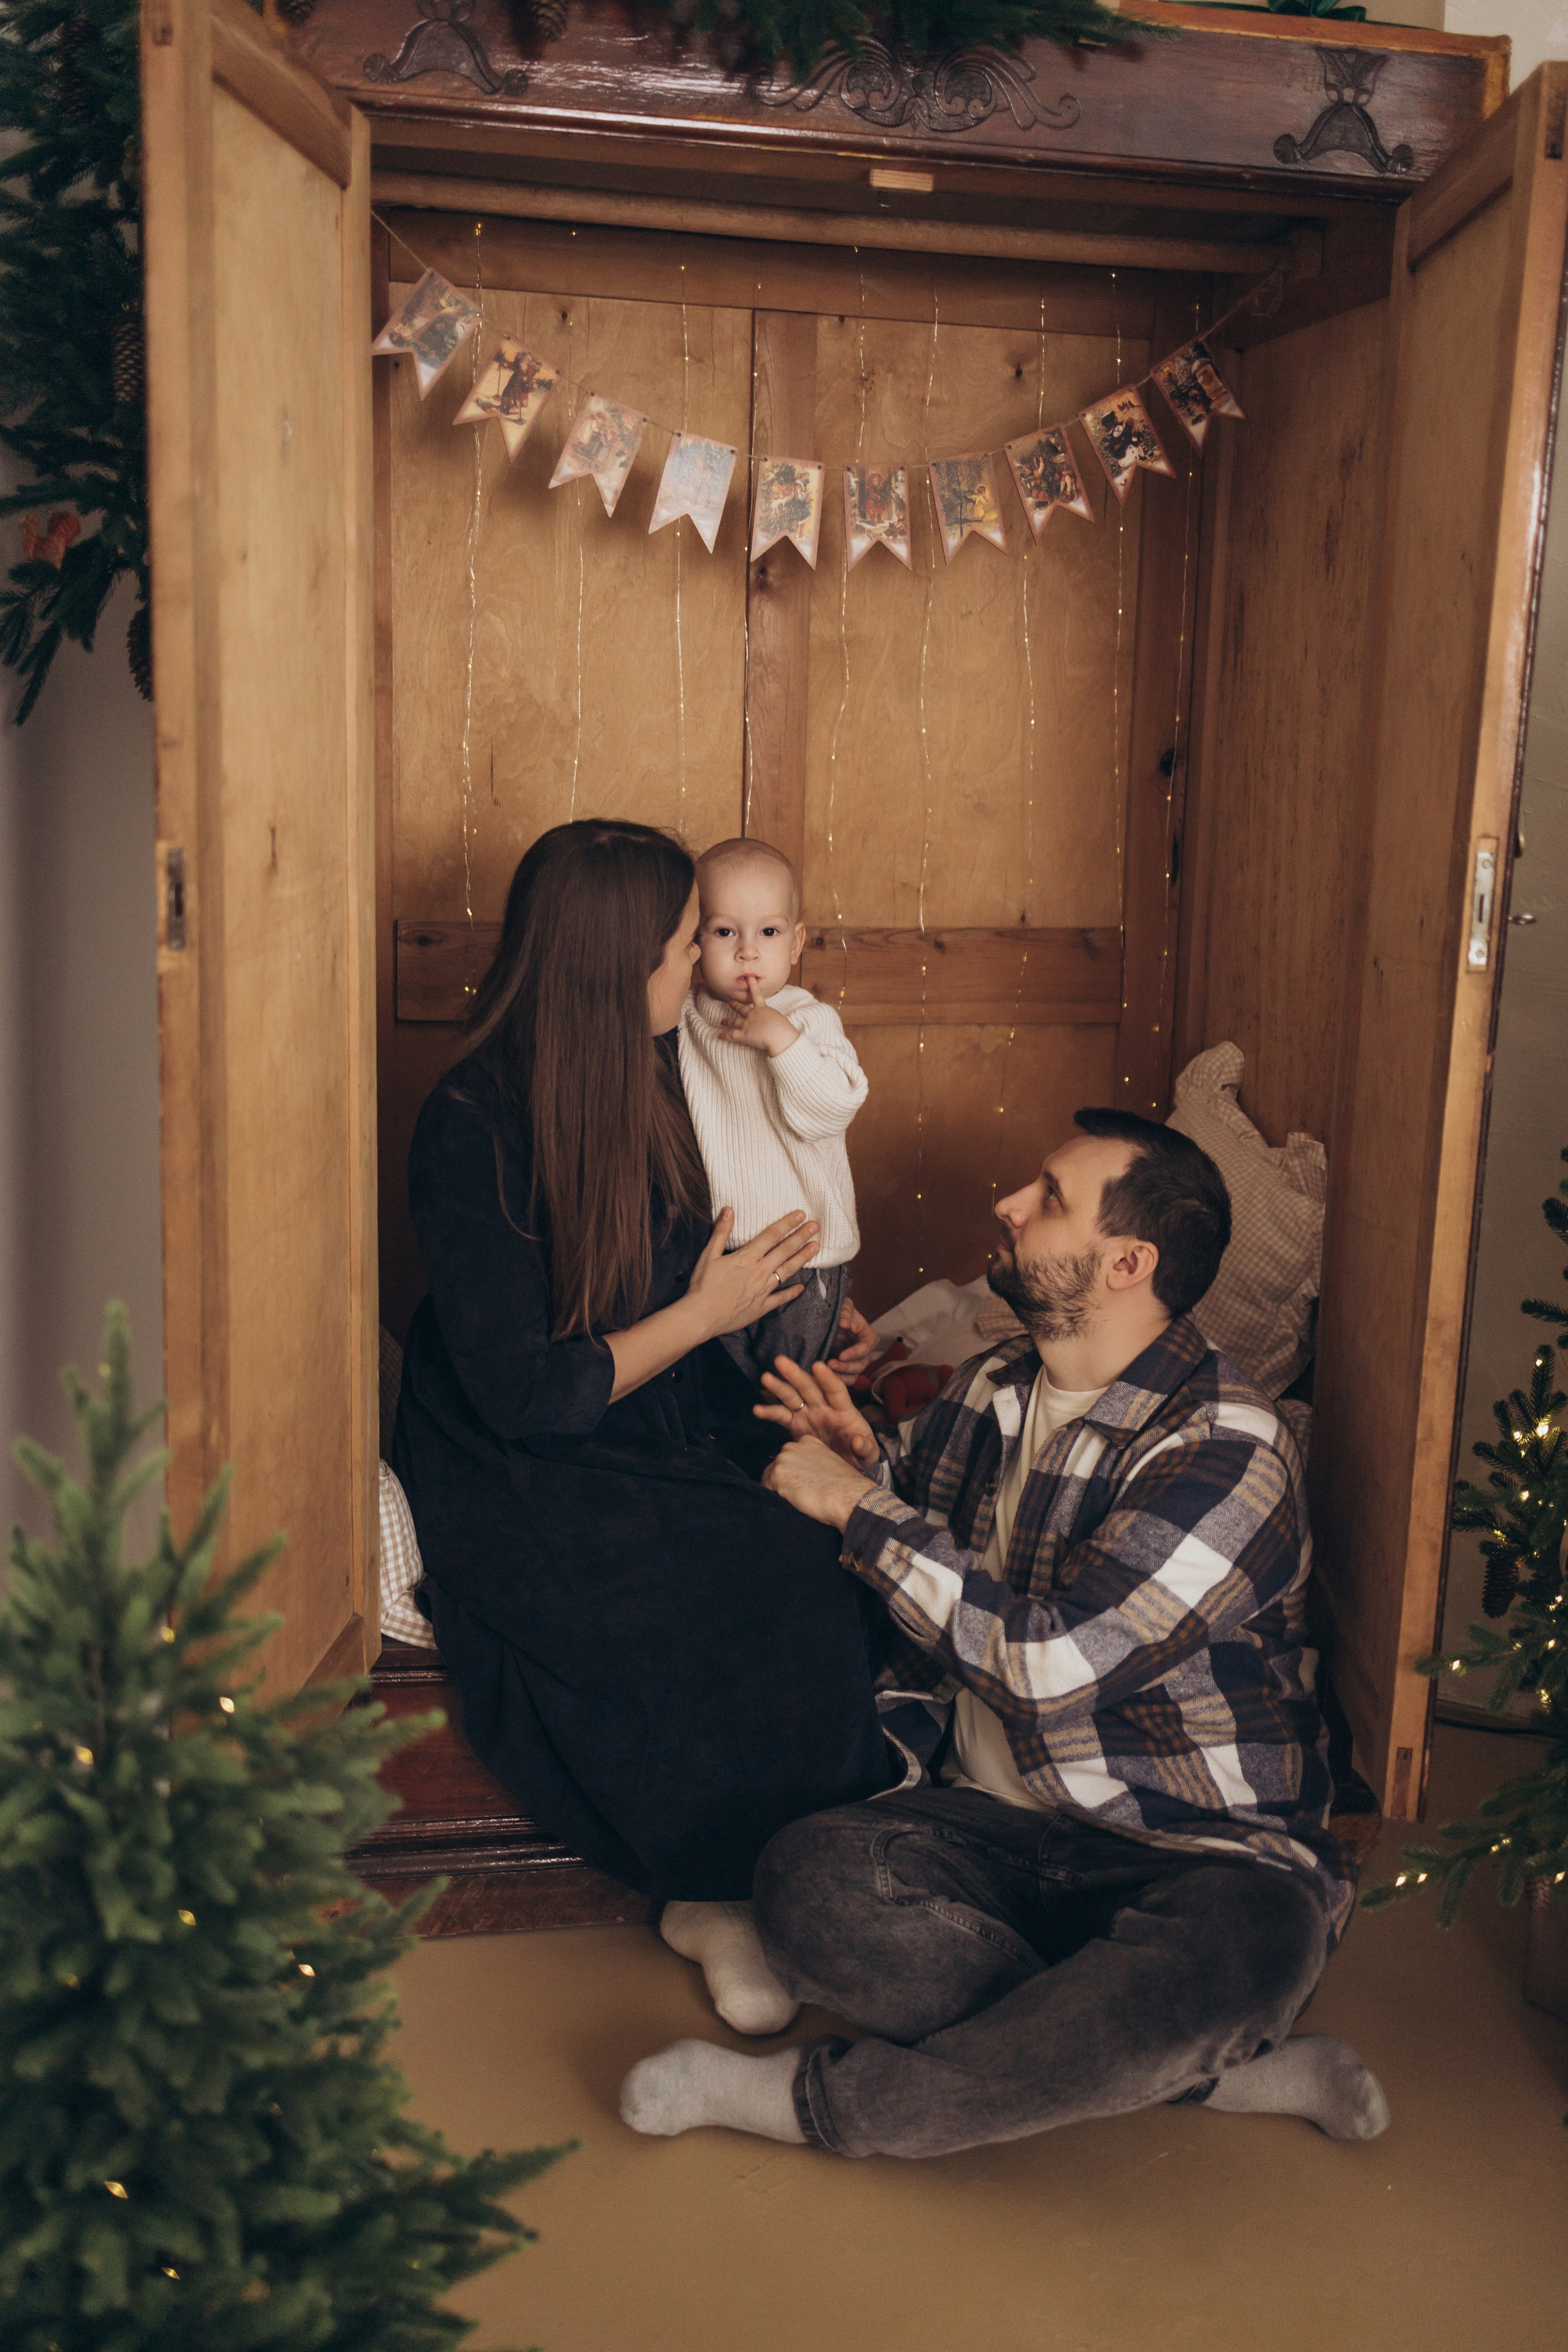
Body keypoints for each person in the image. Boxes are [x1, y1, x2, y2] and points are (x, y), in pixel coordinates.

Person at [620, 1110, 1390, 2158]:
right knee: (807, 1881)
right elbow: (932, 1537)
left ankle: (814, 2105)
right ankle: (1199, 2071)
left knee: (1243, 1954)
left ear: (1126, 1263)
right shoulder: (1000, 1387)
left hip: (1198, 1855)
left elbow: (1045, 1665)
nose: (1009, 1206)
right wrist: (871, 1463)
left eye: (1048, 1197)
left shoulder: (1228, 1452)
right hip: (991, 1831)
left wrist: (858, 1508)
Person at [393, 820, 891, 2030]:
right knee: (735, 1578)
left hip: (658, 1396)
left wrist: (795, 1311)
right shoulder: (473, 1122)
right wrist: (708, 1309)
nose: (708, 967)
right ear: (614, 966)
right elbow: (526, 1393)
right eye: (684, 946)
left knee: (821, 1535)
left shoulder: (659, 1068)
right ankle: (708, 1886)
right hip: (519, 1450)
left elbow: (714, 1238)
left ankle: (813, 1868)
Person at [679, 836, 867, 1384]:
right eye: (723, 932)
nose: (747, 951)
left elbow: (833, 1109)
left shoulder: (808, 1020)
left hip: (806, 1258)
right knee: (729, 1395)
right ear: (695, 941)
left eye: (768, 932)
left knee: (798, 1391)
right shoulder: (688, 1020)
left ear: (796, 941)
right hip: (718, 1259)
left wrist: (782, 1043)